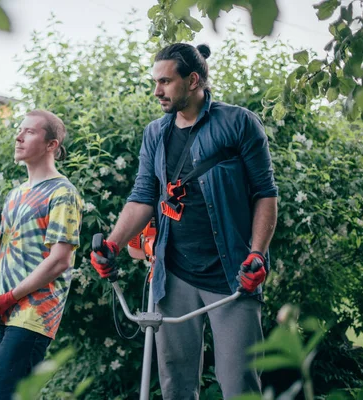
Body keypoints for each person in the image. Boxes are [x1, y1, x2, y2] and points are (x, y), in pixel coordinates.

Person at [90, 43, 278, 399]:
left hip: (232, 275)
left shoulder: (238, 123)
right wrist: (113, 243)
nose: (157, 91)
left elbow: (265, 195)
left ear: (193, 81)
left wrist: (257, 254)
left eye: (165, 81)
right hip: (172, 275)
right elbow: (143, 196)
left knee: (239, 384)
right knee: (175, 384)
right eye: (154, 82)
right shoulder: (155, 134)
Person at [0, 109, 83, 400]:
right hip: (4, 312)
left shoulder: (63, 193)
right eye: (19, 130)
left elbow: (60, 260)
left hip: (34, 315)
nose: (18, 137)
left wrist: (10, 296)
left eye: (30, 132)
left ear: (51, 145)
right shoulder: (16, 195)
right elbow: (2, 257)